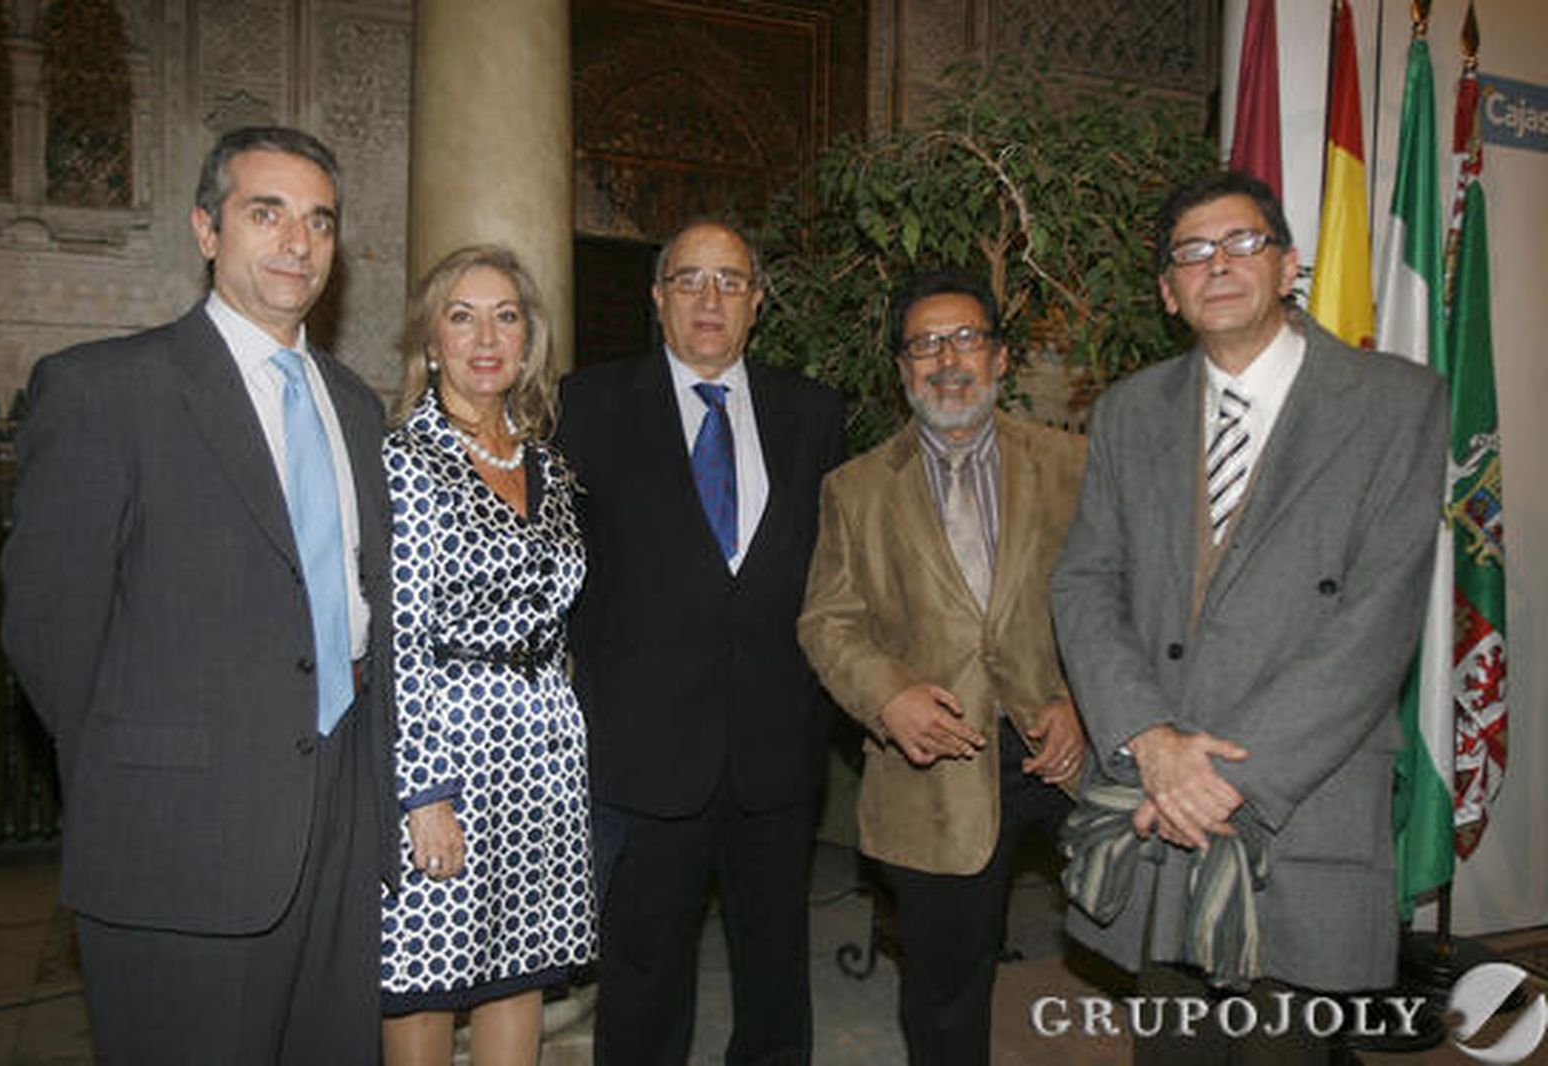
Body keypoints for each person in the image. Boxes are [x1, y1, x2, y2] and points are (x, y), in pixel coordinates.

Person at [0, 126, 395, 1063]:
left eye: (319, 221)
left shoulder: (356, 406)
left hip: (342, 826)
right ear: (206, 230)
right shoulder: (107, 390)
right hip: (183, 838)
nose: (298, 242)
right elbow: (50, 630)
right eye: (267, 213)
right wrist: (145, 782)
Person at [1050, 170, 1447, 1063]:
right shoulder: (1126, 413)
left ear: (1288, 264)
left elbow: (1378, 621)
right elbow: (1084, 584)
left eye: (1241, 243)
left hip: (1299, 809)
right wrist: (1148, 740)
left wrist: (1228, 778)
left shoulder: (1396, 403)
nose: (1216, 265)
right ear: (1167, 291)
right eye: (1191, 253)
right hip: (1158, 817)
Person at [556, 219, 845, 1066]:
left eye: (729, 281)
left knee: (776, 976)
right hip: (644, 754)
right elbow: (561, 572)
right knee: (643, 979)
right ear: (657, 299)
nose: (709, 299)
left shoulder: (815, 413)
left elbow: (837, 574)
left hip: (778, 751)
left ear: (758, 301)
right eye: (689, 280)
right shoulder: (589, 405)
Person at [798, 272, 1087, 1064]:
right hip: (934, 776)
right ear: (902, 371)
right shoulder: (853, 491)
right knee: (944, 994)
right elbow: (828, 620)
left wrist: (1081, 703)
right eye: (925, 345)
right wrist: (886, 697)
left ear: (998, 358)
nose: (947, 359)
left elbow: (1119, 602)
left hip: (1067, 756)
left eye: (965, 339)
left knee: (1144, 951)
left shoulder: (1073, 463)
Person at [379, 245, 596, 1065]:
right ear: (431, 341)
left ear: (528, 340)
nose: (485, 336)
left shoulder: (548, 465)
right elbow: (399, 635)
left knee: (519, 971)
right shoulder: (406, 462)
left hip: (543, 752)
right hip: (449, 754)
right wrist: (423, 793)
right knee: (426, 973)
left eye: (505, 315)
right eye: (461, 315)